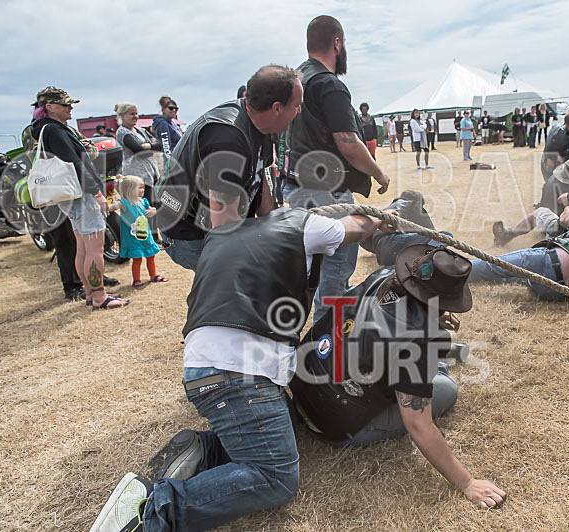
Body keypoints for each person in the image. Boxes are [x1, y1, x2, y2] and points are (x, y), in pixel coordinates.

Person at [88, 200, 396, 532]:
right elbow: (354, 228)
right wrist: (378, 218)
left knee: (286, 424)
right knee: (276, 476)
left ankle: (202, 450)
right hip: (239, 375)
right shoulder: (300, 224)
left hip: (202, 367)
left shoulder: (221, 235)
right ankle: (149, 514)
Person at [289, 245, 507, 509]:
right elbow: (419, 425)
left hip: (304, 381)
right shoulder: (414, 343)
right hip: (336, 423)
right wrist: (467, 483)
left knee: (410, 359)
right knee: (447, 388)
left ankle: (437, 352)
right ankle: (439, 356)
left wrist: (433, 314)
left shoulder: (382, 277)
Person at [284, 15, 390, 322]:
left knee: (308, 267)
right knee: (336, 271)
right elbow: (349, 144)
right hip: (325, 191)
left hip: (294, 186)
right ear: (337, 43)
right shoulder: (328, 84)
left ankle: (318, 332)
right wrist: (378, 173)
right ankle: (326, 342)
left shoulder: (295, 79)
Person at [157, 65, 302, 271]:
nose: (299, 111)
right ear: (277, 108)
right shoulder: (227, 140)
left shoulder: (264, 122)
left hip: (215, 222)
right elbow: (224, 227)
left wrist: (273, 229)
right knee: (234, 283)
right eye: (296, 105)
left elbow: (262, 178)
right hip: (189, 233)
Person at [30, 87, 129, 310]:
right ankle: (100, 295)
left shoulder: (48, 130)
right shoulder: (54, 131)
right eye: (65, 104)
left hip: (72, 195)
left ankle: (92, 293)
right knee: (93, 247)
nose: (70, 107)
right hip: (82, 194)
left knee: (83, 247)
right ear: (50, 107)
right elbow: (76, 165)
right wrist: (97, 193)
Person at [470, 211, 569, 300]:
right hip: (559, 293)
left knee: (492, 265)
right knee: (509, 276)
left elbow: (567, 221)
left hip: (549, 263)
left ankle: (449, 268)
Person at [491, 158, 569, 246]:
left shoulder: (552, 181)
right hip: (565, 230)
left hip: (552, 224)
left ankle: (508, 234)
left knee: (538, 212)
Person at [115, 102, 163, 242]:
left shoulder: (140, 130)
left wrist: (148, 145)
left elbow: (158, 145)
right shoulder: (123, 132)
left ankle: (154, 237)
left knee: (152, 205)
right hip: (137, 177)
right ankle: (144, 237)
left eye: (136, 113)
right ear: (122, 116)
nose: (135, 116)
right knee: (141, 208)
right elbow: (138, 150)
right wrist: (149, 147)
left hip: (151, 173)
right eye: (132, 114)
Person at [108, 175, 168, 289]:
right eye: (139, 188)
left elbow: (152, 210)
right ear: (129, 190)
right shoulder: (124, 203)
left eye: (143, 187)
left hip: (146, 235)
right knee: (137, 259)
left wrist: (153, 211)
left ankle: (153, 275)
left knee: (151, 256)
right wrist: (107, 206)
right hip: (133, 239)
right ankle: (136, 280)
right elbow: (113, 206)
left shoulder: (143, 202)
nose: (143, 190)